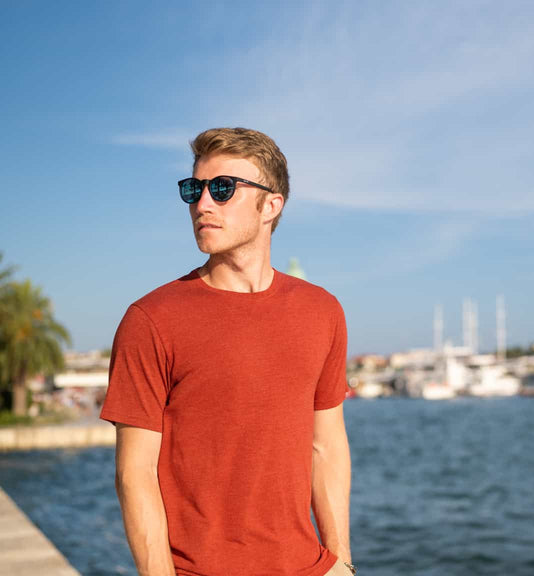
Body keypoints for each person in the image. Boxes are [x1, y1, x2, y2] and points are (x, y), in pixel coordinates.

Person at [101, 127, 355, 576]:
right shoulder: (151, 320)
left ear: (271, 205)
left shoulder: (323, 311)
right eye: (193, 190)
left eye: (222, 189)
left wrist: (342, 564)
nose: (202, 204)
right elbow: (134, 474)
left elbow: (327, 446)